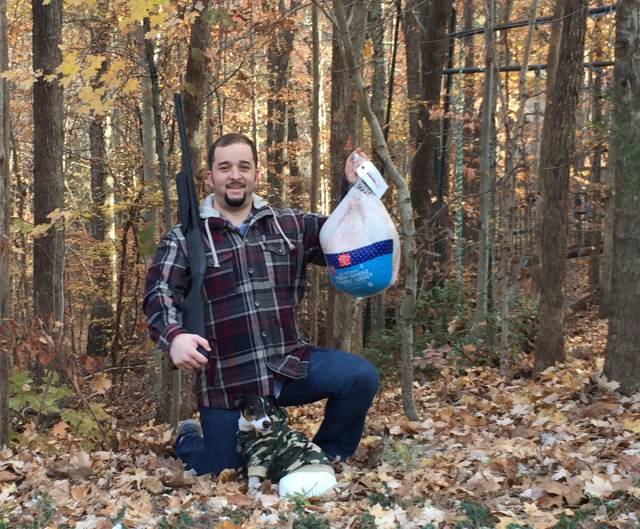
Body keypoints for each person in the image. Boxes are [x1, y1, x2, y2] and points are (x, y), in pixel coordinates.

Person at [143, 133, 379, 475]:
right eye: (225, 167)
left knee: (360, 377)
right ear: (210, 177)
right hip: (227, 383)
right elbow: (158, 292)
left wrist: (353, 187)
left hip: (289, 365)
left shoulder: (289, 226)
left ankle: (327, 455)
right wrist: (174, 337)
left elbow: (341, 236)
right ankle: (188, 439)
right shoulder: (183, 239)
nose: (235, 175)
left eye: (244, 166)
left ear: (256, 174)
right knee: (223, 470)